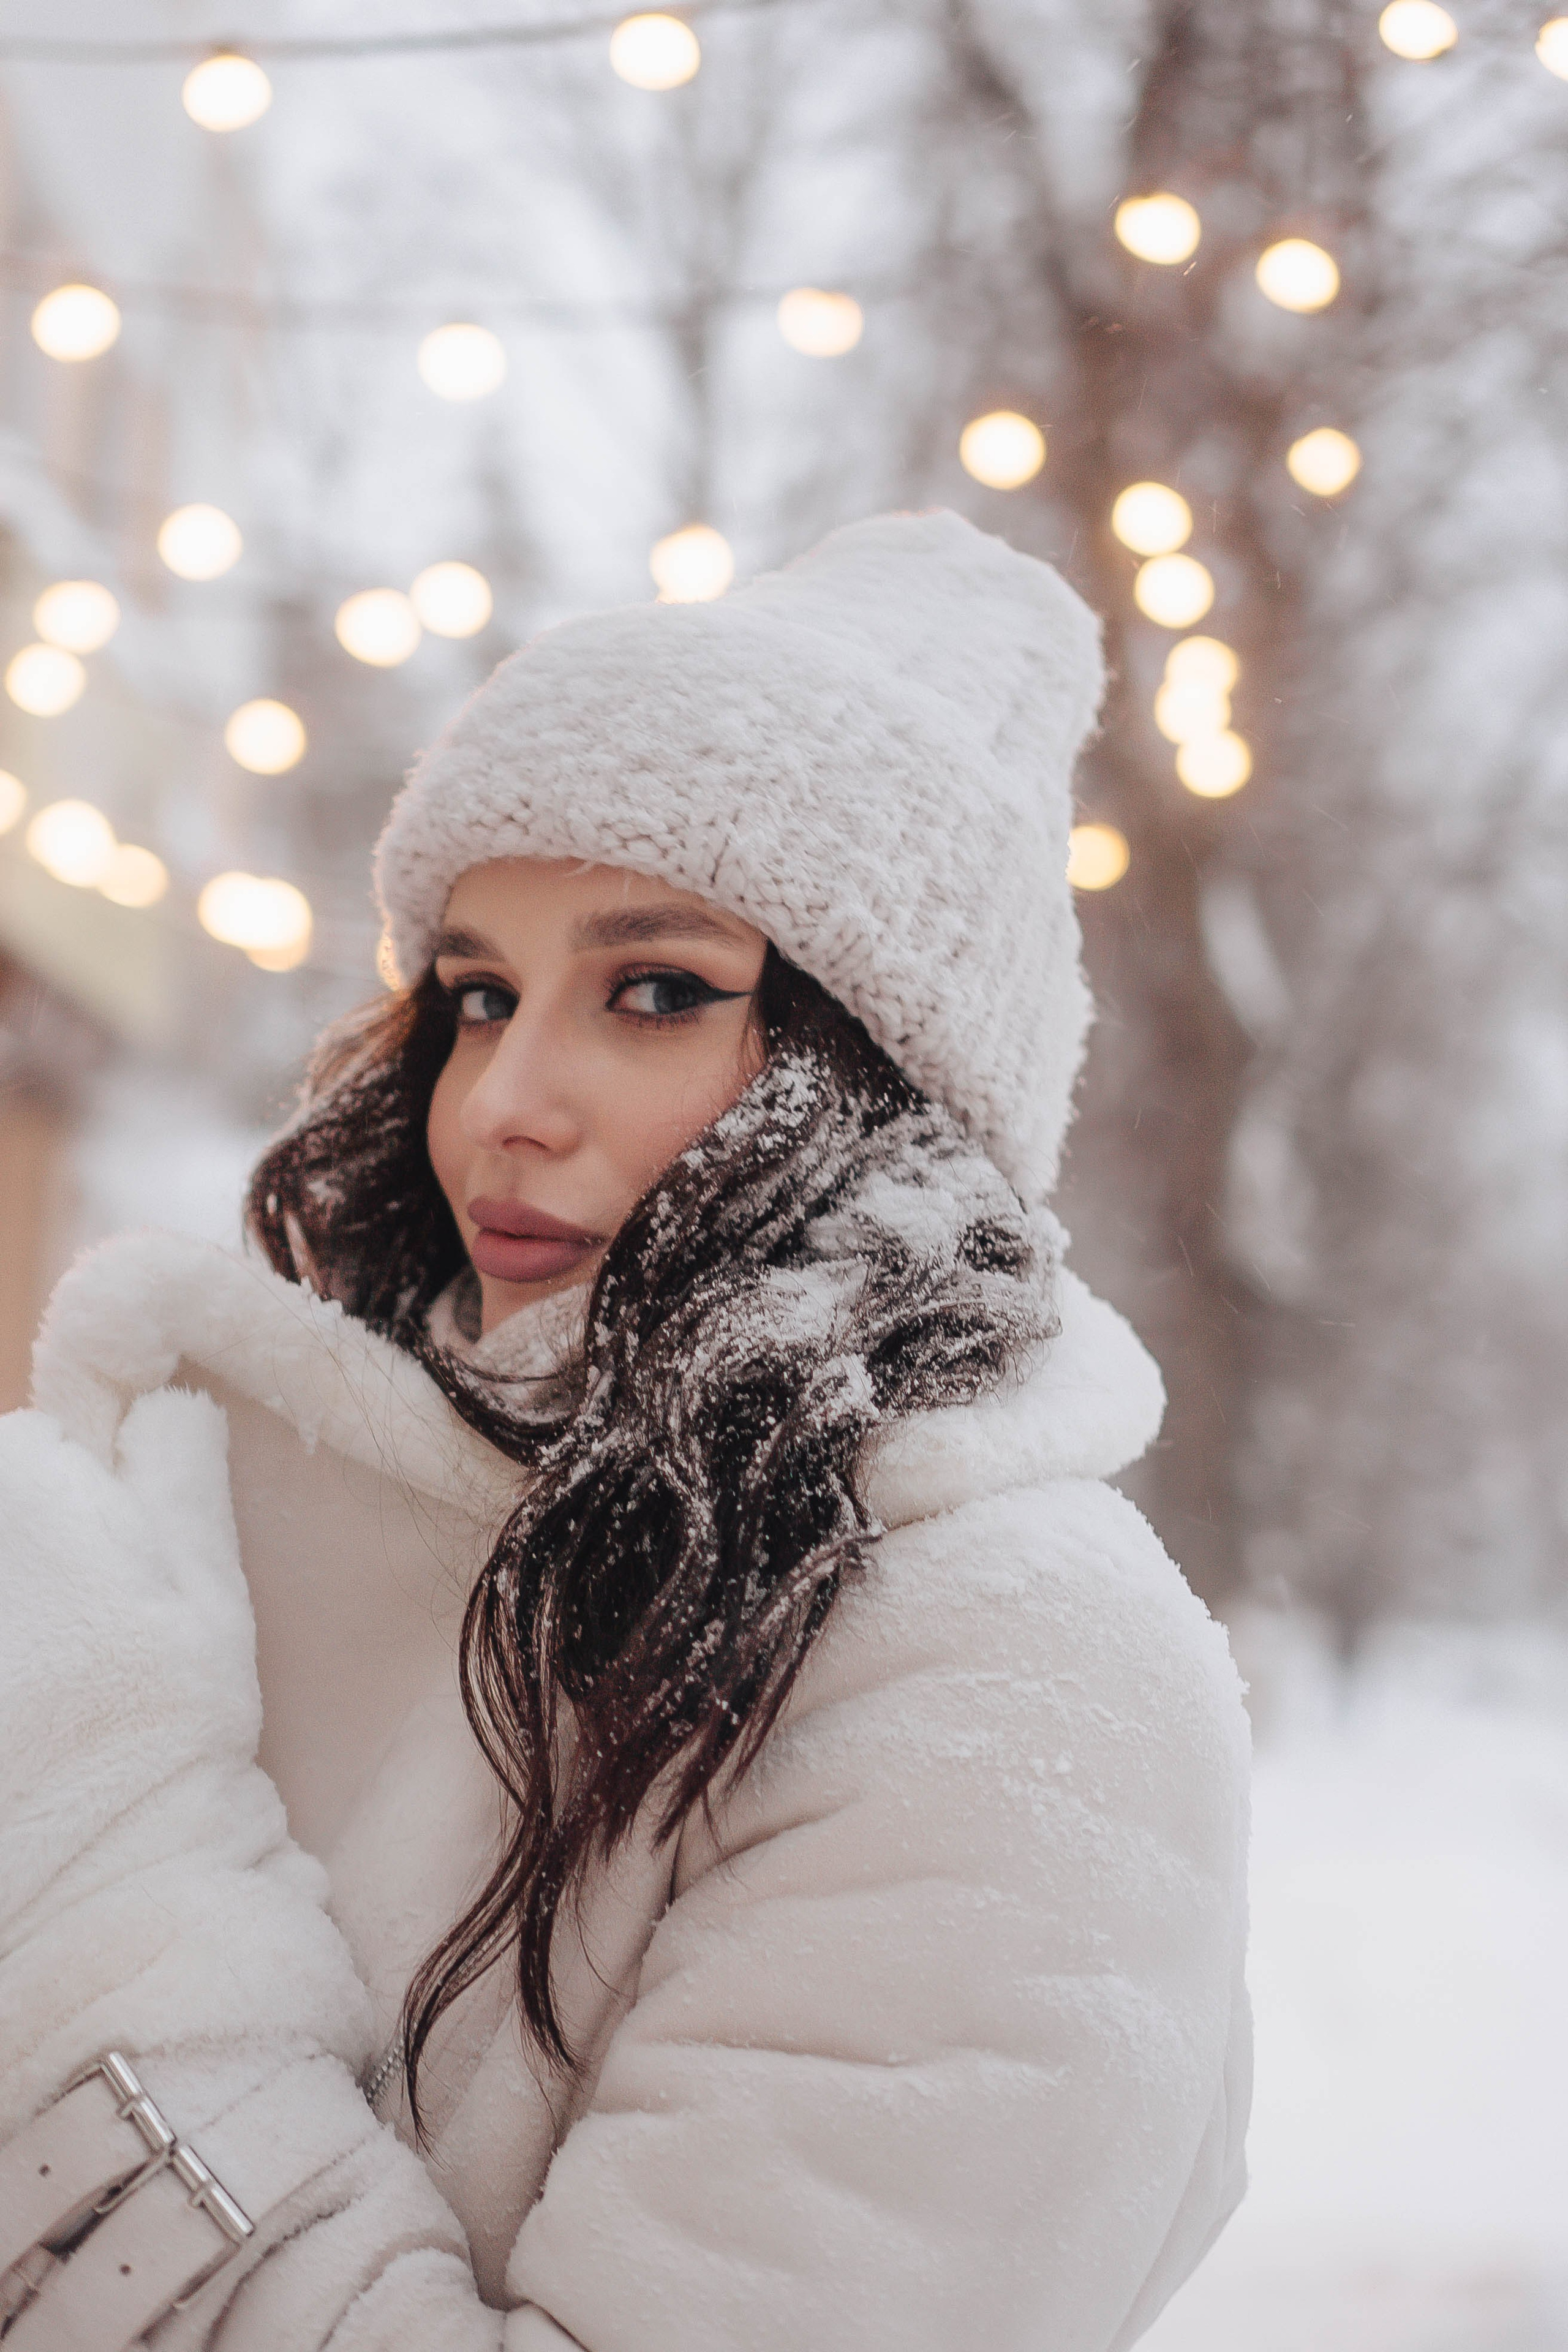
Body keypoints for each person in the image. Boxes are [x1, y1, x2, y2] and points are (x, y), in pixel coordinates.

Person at [0, 510, 1250, 2352]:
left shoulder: (1019, 1671)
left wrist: (90, 1889)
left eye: (656, 989)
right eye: (480, 995)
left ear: (879, 1074)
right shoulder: (229, 1496)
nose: (499, 1100)